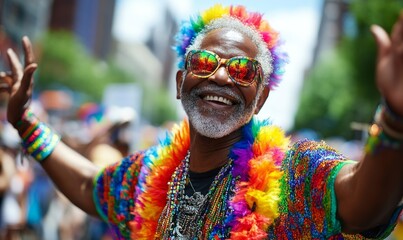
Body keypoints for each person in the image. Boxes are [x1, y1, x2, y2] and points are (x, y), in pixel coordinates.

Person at [1, 4, 403, 239]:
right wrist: (25, 124)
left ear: (260, 97)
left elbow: (362, 203)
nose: (222, 76)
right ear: (181, 82)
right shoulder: (149, 175)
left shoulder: (293, 174)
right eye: (206, 63)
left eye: (243, 70)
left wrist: (396, 119)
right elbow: (91, 185)